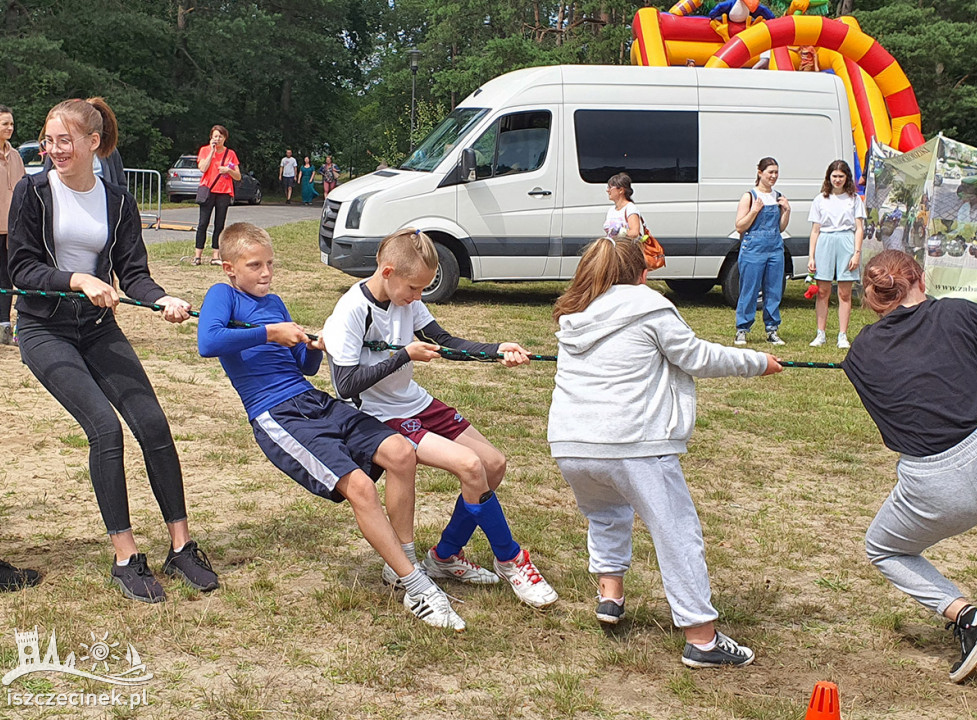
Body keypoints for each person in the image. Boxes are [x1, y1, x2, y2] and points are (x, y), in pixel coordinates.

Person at [198, 222, 464, 630]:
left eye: (270, 263)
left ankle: (403, 562)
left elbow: (301, 367)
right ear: (229, 268)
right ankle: (417, 588)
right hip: (276, 413)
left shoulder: (276, 302)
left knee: (400, 452)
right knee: (359, 486)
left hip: (311, 398)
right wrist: (271, 332)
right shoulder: (223, 295)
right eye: (255, 265)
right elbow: (209, 341)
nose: (266, 273)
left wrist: (311, 347)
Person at [9, 97, 219, 604]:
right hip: (43, 330)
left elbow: (134, 274)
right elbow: (21, 270)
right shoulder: (33, 191)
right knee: (104, 428)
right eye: (48, 139)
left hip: (99, 328)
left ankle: (181, 546)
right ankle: (126, 556)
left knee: (152, 425)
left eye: (65, 140)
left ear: (92, 143)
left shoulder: (119, 200)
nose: (53, 149)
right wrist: (78, 278)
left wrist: (161, 297)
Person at [549, 237, 781, 667]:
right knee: (677, 533)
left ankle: (610, 594)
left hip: (571, 444)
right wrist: (757, 363)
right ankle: (701, 638)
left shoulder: (574, 312)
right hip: (635, 444)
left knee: (606, 514)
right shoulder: (649, 305)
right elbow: (695, 357)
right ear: (642, 272)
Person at [323, 228, 558, 609]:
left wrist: (497, 350)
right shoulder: (351, 311)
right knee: (469, 465)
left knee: (493, 464)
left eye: (423, 289)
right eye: (414, 288)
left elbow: (445, 341)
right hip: (380, 414)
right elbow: (346, 384)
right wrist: (403, 356)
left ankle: (445, 556)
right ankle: (511, 560)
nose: (418, 298)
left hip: (416, 402)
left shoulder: (408, 299)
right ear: (387, 272)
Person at [841, 250, 977, 684]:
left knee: (885, 548)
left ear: (873, 297)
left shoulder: (860, 351)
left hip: (932, 480)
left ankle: (971, 619)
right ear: (921, 277)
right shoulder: (958, 311)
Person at [806, 160, 865, 349]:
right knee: (822, 291)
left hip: (846, 241)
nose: (837, 180)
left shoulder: (854, 199)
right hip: (825, 240)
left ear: (846, 177)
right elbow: (815, 230)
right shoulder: (820, 199)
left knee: (844, 292)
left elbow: (859, 228)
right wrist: (811, 257)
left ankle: (842, 335)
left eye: (841, 176)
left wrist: (856, 254)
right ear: (829, 177)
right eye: (834, 176)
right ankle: (820, 333)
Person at [734, 157, 791, 346]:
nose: (773, 176)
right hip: (753, 249)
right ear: (760, 173)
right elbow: (740, 226)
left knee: (773, 290)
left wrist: (786, 212)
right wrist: (754, 211)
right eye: (770, 172)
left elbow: (780, 228)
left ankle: (772, 330)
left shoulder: (777, 196)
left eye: (776, 172)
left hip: (774, 248)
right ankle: (742, 329)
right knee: (749, 290)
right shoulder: (749, 196)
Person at [0, 104, 24, 345]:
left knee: (8, 277)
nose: (10, 128)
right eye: (5, 123)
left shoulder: (15, 156)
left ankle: (5, 325)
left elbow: (22, 191)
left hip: (13, 229)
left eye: (12, 123)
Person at [193, 125, 241, 266]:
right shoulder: (204, 150)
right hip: (208, 190)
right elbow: (202, 168)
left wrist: (228, 170)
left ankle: (215, 255)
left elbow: (237, 176)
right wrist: (211, 152)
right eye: (215, 136)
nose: (217, 139)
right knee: (203, 223)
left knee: (219, 224)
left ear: (225, 138)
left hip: (224, 191)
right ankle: (198, 256)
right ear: (211, 138)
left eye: (220, 136)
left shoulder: (230, 154)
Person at [602, 172, 641, 239]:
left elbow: (634, 232)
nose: (607, 190)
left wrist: (619, 233)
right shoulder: (611, 210)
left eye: (610, 187)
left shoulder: (630, 208)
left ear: (621, 190)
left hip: (626, 248)